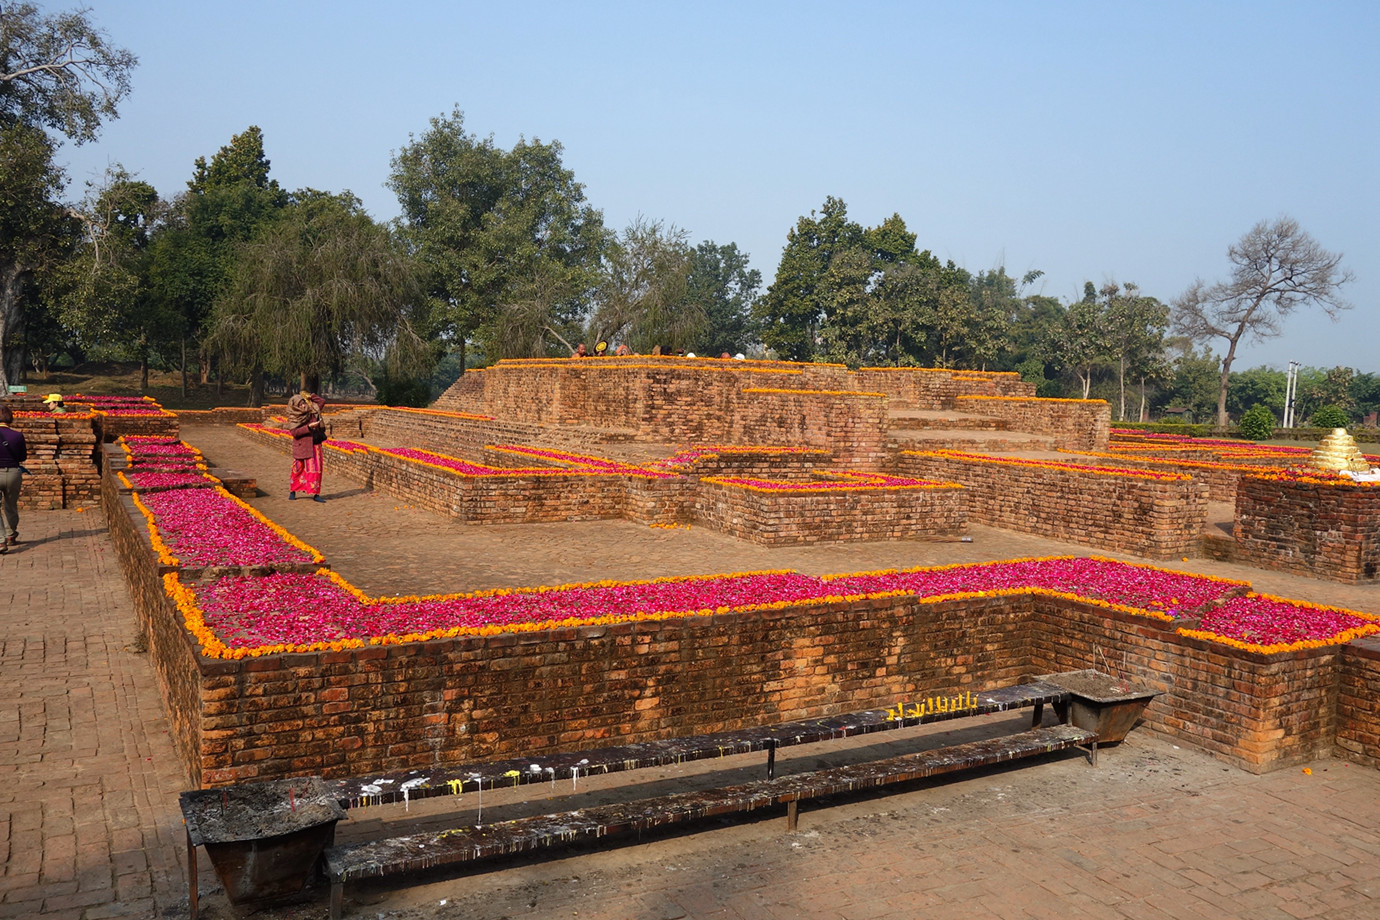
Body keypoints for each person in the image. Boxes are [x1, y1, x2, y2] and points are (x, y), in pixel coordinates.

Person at [285, 391, 327, 503]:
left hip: (314, 444)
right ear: (295, 407)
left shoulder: (312, 411)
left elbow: (322, 402)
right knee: (297, 469)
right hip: (301, 446)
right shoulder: (293, 417)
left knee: (315, 469)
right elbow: (294, 432)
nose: (303, 406)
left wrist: (310, 396)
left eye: (304, 403)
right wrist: (308, 427)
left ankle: (315, 493)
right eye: (300, 404)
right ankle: (293, 491)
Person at [0, 407, 26, 554]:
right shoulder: (17, 436)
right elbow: (22, 458)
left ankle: (0, 541)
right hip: (13, 474)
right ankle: (11, 535)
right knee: (10, 505)